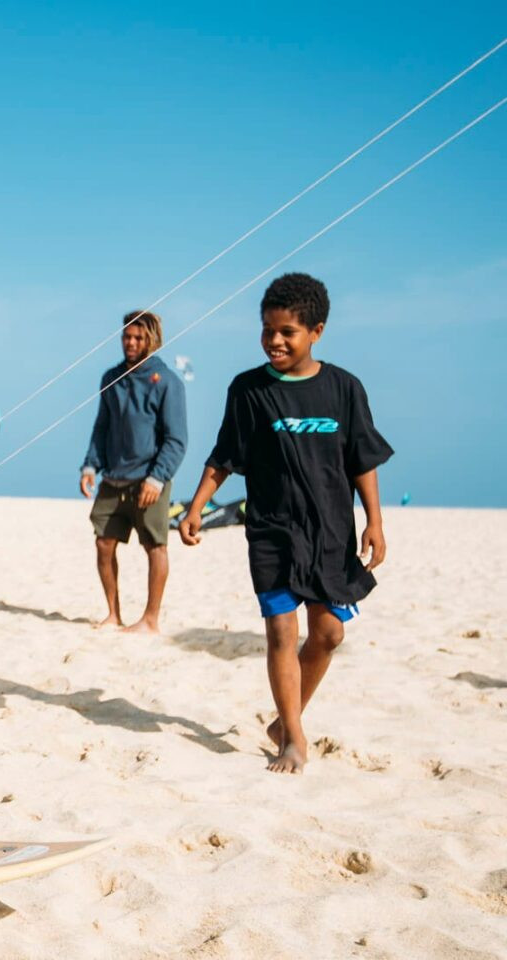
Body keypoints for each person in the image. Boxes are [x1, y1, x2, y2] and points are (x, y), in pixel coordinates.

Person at [179, 273, 392, 774]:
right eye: (267, 330)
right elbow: (225, 455)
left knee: (328, 635)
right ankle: (293, 737)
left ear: (316, 331)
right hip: (272, 531)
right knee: (280, 632)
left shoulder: (343, 388)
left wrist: (375, 521)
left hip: (332, 532)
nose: (274, 341)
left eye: (287, 332)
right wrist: (196, 508)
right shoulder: (249, 390)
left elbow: (362, 459)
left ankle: (284, 719)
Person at [80, 310, 187, 633]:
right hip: (113, 478)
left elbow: (176, 439)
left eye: (138, 337)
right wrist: (90, 465)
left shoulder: (168, 381)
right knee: (103, 544)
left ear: (152, 340)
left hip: (150, 480)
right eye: (127, 335)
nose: (131, 342)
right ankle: (113, 613)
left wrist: (157, 478)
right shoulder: (110, 378)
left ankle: (150, 619)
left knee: (155, 546)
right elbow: (102, 427)